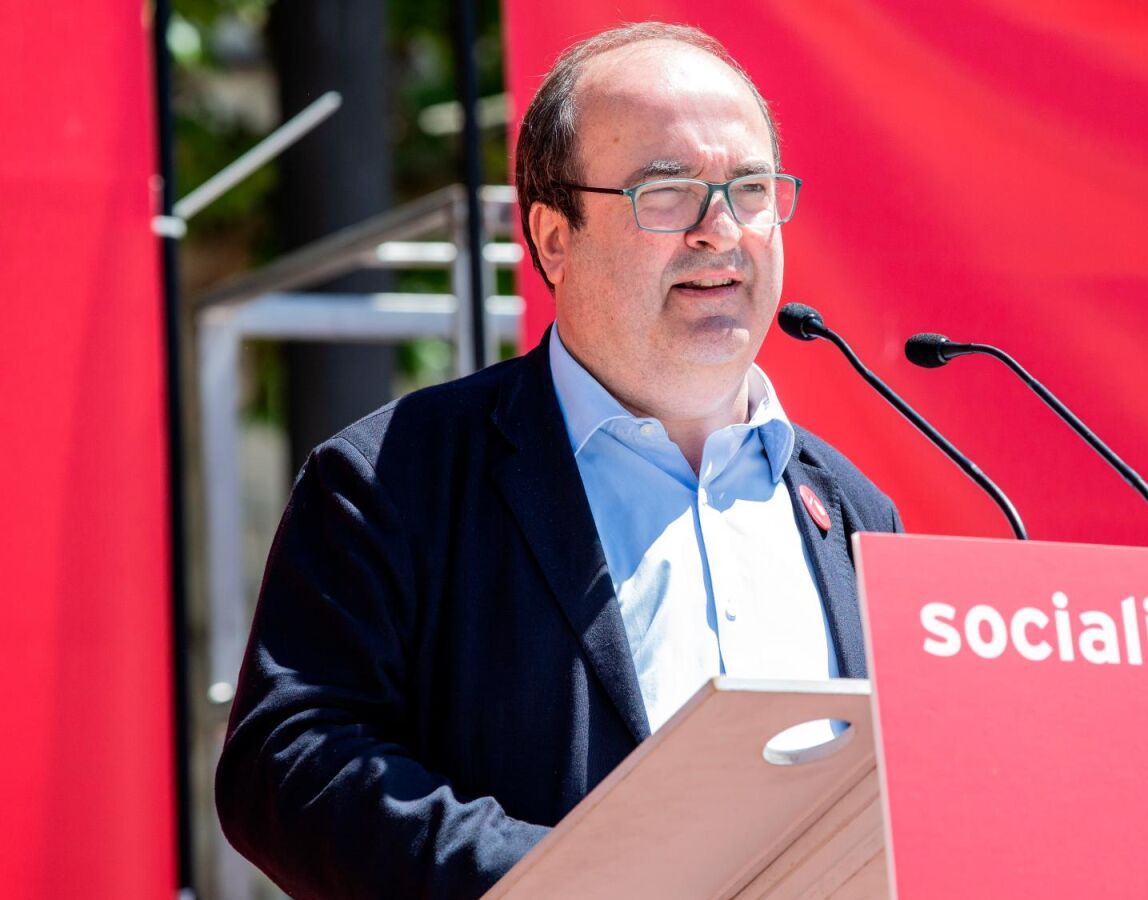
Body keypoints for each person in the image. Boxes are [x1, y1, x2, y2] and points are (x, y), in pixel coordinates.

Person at [215, 22, 900, 899]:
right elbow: (289, 764)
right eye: (668, 193)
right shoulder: (392, 480)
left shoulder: (853, 512)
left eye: (751, 189)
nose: (721, 229)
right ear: (552, 239)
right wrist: (557, 882)